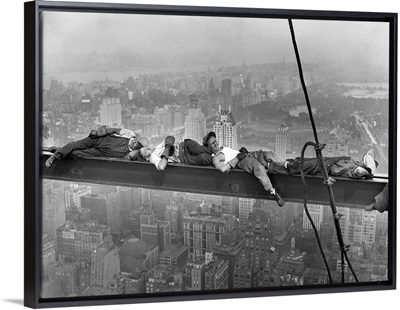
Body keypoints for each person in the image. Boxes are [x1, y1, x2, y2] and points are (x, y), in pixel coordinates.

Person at [202, 131, 285, 207]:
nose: (216, 144)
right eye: (212, 144)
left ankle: (286, 164)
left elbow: (231, 153)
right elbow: (223, 169)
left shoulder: (223, 147)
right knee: (259, 168)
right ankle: (273, 192)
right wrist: (238, 158)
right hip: (242, 161)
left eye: (215, 141)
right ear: (209, 148)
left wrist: (241, 152)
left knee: (269, 154)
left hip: (246, 154)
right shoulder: (216, 158)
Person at [45, 126, 149, 168]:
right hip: (99, 140)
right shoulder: (129, 134)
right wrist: (99, 133)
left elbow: (135, 157)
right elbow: (113, 130)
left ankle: (59, 150)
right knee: (75, 145)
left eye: (138, 144)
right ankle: (54, 156)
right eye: (136, 141)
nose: (135, 143)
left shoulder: (132, 153)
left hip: (100, 152)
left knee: (76, 154)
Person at [139, 136, 213, 171]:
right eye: (145, 151)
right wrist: (167, 149)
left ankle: (217, 153)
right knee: (203, 158)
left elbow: (170, 138)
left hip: (183, 145)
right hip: (183, 156)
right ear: (146, 158)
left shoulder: (157, 146)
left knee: (199, 149)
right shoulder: (153, 157)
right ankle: (218, 158)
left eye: (146, 148)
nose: (147, 148)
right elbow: (161, 167)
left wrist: (168, 143)